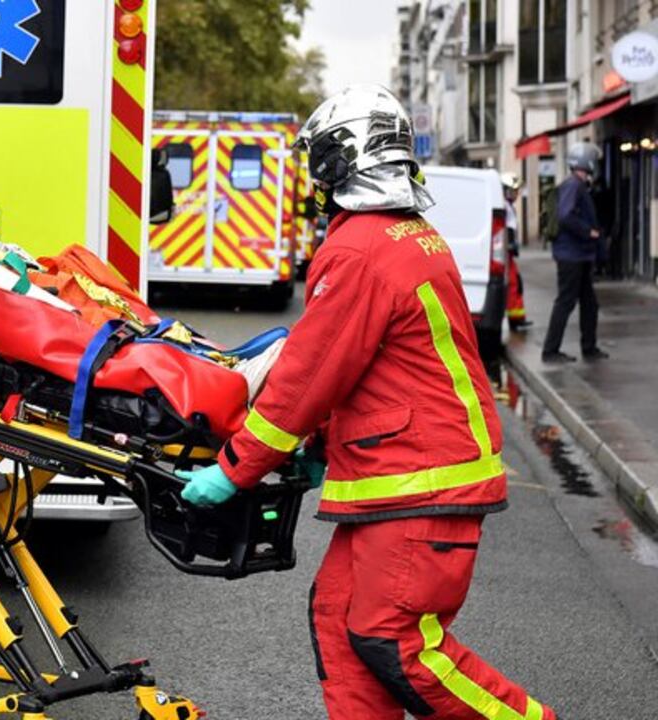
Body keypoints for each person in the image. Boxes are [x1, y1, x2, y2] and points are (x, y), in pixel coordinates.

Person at [178, 85, 555, 720]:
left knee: (395, 641)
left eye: (319, 162)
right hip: (414, 472)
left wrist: (235, 467)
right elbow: (371, 368)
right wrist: (323, 448)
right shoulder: (409, 234)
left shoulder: (359, 249)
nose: (314, 179)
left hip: (420, 478)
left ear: (341, 162)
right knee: (339, 617)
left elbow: (307, 378)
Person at [542, 142, 608, 363]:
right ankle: (550, 351)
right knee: (566, 302)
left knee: (589, 304)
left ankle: (589, 347)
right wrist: (589, 232)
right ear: (587, 162)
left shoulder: (575, 185)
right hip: (572, 256)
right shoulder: (574, 186)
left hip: (578, 255)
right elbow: (565, 216)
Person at [501, 172, 531, 332]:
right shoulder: (505, 206)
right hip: (506, 253)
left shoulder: (508, 206)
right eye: (513, 191)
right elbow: (507, 228)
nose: (516, 194)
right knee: (513, 283)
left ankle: (517, 317)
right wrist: (510, 245)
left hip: (508, 252)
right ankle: (515, 319)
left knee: (515, 283)